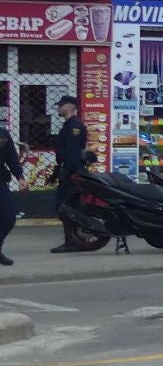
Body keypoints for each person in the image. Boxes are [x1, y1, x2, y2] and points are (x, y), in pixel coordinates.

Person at [49, 95, 87, 253]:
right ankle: (75, 239)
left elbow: (72, 154)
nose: (58, 107)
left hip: (71, 173)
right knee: (68, 206)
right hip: (68, 171)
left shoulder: (74, 127)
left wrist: (68, 172)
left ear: (70, 107)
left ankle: (73, 241)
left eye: (61, 105)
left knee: (66, 207)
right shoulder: (69, 126)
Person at [0, 123, 22, 266]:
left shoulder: (2, 134)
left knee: (8, 218)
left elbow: (11, 157)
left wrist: (20, 177)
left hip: (1, 183)